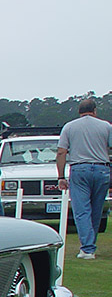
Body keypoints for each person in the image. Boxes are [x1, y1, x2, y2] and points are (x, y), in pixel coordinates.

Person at [56, 97, 112, 258]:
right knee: (96, 210)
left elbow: (61, 152)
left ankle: (87, 248)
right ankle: (90, 245)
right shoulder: (106, 126)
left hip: (79, 169)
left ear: (79, 112)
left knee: (82, 210)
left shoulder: (69, 127)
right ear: (95, 111)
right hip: (102, 169)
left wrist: (61, 176)